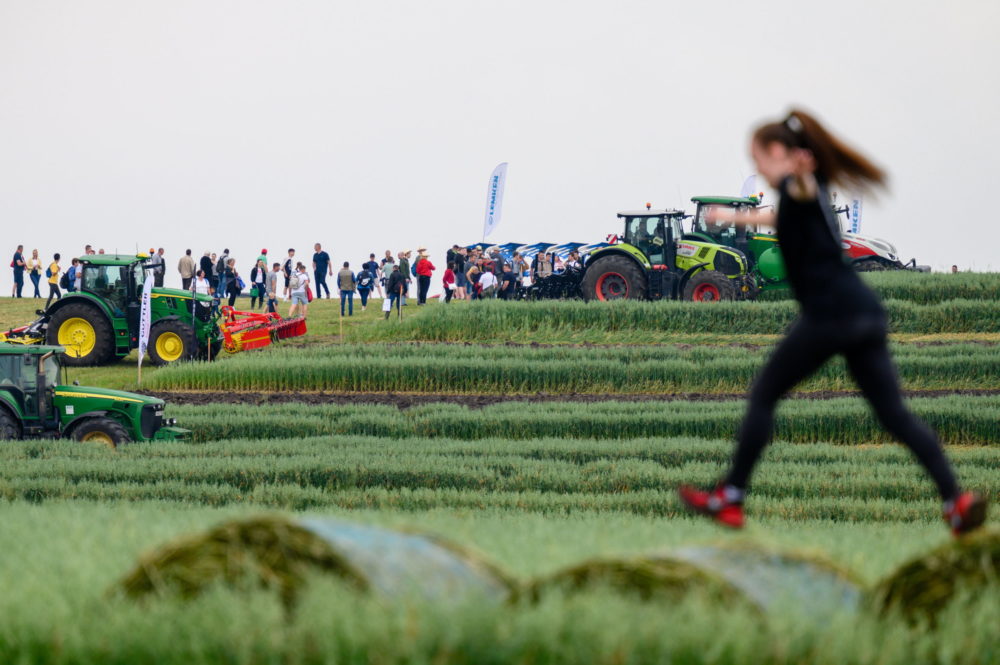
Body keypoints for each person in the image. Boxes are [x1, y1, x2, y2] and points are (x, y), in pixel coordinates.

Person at [678, 109, 986, 536]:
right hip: (864, 311)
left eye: (757, 157)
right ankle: (956, 501)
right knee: (894, 414)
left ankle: (730, 497)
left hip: (830, 313)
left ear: (777, 152)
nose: (756, 168)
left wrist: (797, 175)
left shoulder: (800, 182)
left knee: (764, 394)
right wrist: (735, 218)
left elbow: (796, 191)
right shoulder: (810, 190)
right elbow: (783, 215)